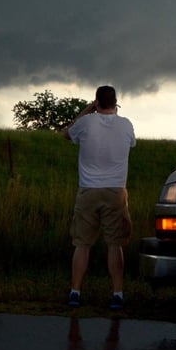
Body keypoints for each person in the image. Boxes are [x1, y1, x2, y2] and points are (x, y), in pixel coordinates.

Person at [63, 85, 136, 311]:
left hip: (88, 190)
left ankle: (75, 292)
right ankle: (117, 294)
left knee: (82, 244)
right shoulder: (126, 124)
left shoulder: (86, 123)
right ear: (116, 102)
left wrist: (87, 110)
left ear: (97, 102)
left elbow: (66, 134)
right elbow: (132, 143)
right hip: (116, 191)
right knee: (115, 244)